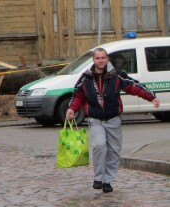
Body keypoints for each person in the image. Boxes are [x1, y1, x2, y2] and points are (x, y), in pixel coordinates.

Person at [66, 48, 160, 193]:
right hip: (96, 119)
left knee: (114, 151)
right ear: (93, 60)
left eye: (103, 58)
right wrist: (72, 108)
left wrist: (151, 97)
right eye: (97, 58)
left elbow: (134, 86)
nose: (100, 60)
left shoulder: (116, 75)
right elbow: (78, 95)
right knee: (99, 146)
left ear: (107, 59)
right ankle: (98, 178)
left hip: (113, 119)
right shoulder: (86, 77)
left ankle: (107, 180)